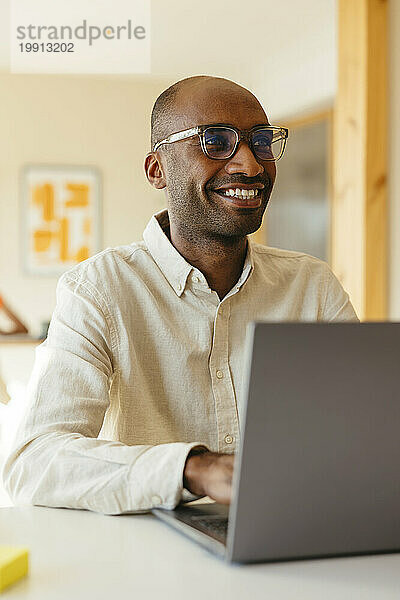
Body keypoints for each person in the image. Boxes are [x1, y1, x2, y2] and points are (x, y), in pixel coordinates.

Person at [3, 76, 358, 515]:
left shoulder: (313, 286)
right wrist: (193, 468)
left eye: (261, 141)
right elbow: (34, 462)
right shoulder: (98, 289)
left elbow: (367, 430)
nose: (250, 165)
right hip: (153, 564)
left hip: (295, 534)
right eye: (216, 141)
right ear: (157, 170)